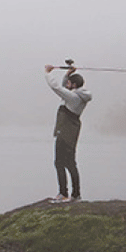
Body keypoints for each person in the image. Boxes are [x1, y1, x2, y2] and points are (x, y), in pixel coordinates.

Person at [45, 64, 92, 202]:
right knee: (70, 163)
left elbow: (57, 88)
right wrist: (68, 74)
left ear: (74, 85)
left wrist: (48, 73)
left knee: (60, 162)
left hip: (65, 133)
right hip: (71, 132)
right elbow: (64, 87)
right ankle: (76, 195)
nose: (67, 84)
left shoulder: (73, 98)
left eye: (69, 83)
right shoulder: (78, 95)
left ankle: (63, 194)